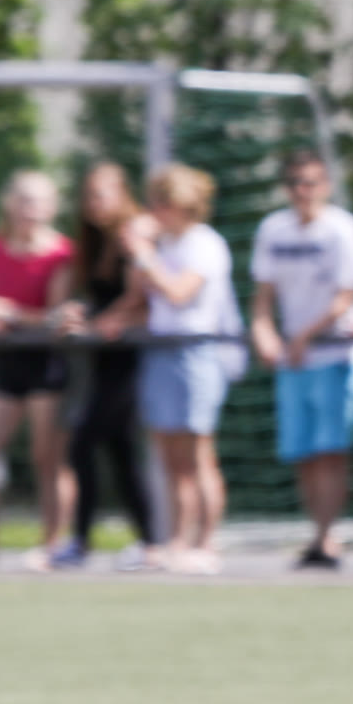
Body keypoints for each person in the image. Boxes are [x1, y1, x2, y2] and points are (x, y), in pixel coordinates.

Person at [249, 149, 353, 570]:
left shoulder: (344, 230)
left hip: (336, 354)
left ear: (326, 185)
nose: (303, 191)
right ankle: (318, 534)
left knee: (331, 449)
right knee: (303, 452)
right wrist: (265, 332)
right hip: (295, 359)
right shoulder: (273, 229)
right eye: (295, 183)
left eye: (311, 182)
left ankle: (328, 536)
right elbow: (263, 297)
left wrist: (303, 336)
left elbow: (345, 297)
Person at [0, 170, 77, 570]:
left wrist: (11, 313)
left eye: (39, 201)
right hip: (6, 362)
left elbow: (56, 317)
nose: (31, 209)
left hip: (48, 363)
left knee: (48, 458)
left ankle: (52, 545)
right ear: (9, 204)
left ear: (52, 207)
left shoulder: (62, 253)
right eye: (24, 200)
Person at [131, 164, 240, 575]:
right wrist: (140, 250)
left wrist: (144, 254)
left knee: (198, 455)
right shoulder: (162, 244)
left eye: (164, 202)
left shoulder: (205, 244)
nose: (156, 210)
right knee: (170, 457)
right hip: (161, 350)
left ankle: (207, 543)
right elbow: (141, 294)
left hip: (196, 352)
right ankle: (178, 540)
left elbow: (178, 293)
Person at [57, 162, 156, 570]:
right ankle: (150, 542)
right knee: (121, 453)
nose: (93, 203)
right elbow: (98, 297)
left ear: (121, 193)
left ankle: (81, 540)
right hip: (105, 357)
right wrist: (78, 314)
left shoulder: (135, 231)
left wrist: (99, 323)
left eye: (101, 194)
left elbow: (138, 297)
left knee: (82, 444)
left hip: (130, 356)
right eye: (88, 196)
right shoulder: (95, 239)